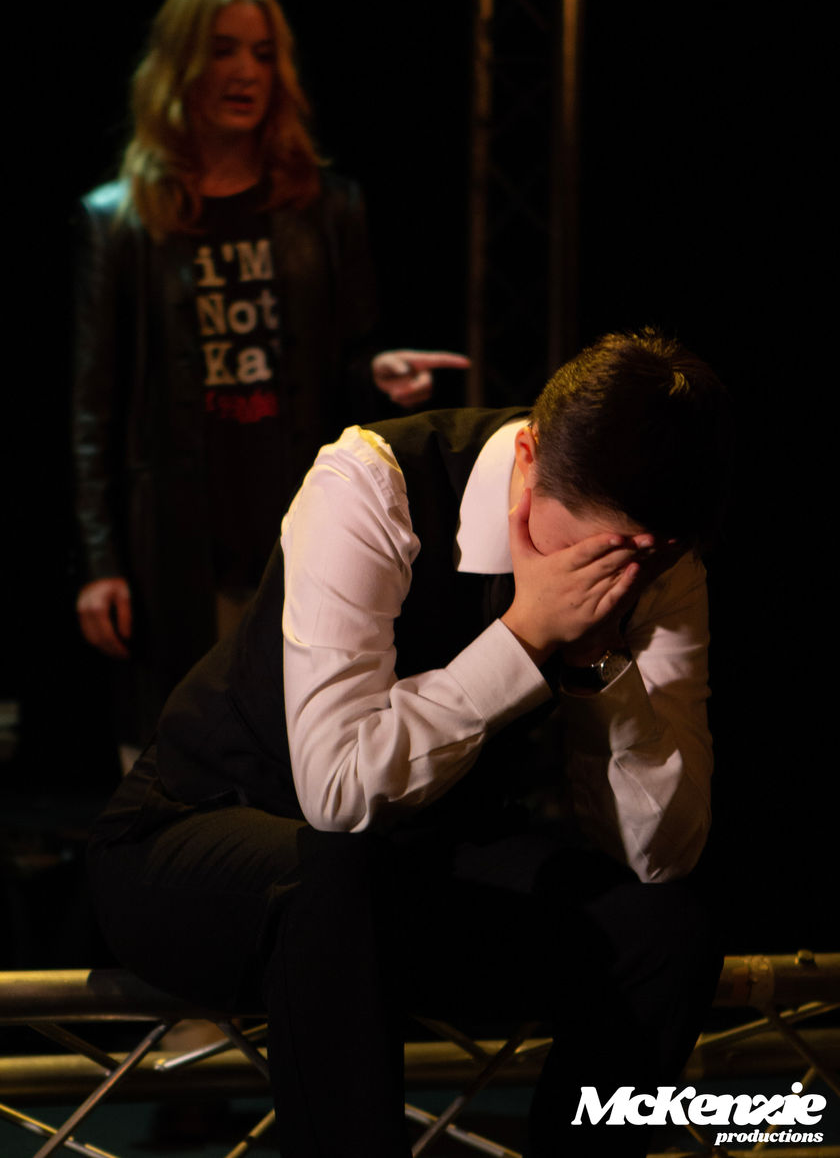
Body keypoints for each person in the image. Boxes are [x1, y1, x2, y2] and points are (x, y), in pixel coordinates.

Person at [87, 329, 732, 1157]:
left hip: (405, 867)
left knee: (663, 926)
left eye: (648, 558)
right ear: (529, 459)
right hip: (192, 842)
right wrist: (525, 636)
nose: (616, 581)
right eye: (595, 553)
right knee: (334, 872)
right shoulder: (369, 479)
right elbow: (337, 792)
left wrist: (602, 662)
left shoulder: (658, 557)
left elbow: (661, 853)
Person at [72, 0, 468, 766]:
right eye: (222, 50)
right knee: (170, 763)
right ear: (180, 64)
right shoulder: (121, 222)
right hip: (175, 548)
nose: (245, 72)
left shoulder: (325, 208)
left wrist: (379, 372)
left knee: (297, 763)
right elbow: (95, 408)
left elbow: (350, 358)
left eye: (261, 53)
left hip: (297, 533)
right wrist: (101, 563)